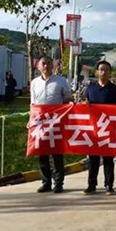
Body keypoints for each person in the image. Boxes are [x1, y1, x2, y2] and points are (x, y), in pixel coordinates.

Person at [30, 57, 71, 193]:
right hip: (40, 122)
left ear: (52, 66)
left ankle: (58, 183)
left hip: (55, 121)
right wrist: (31, 121)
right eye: (43, 64)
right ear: (38, 66)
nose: (46, 66)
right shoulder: (35, 83)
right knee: (42, 153)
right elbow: (33, 104)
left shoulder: (61, 81)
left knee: (57, 153)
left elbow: (67, 98)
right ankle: (46, 182)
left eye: (48, 63)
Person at [82, 60, 116, 195]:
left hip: (109, 129)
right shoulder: (90, 88)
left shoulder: (115, 90)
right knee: (93, 159)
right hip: (93, 129)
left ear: (110, 72)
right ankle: (91, 185)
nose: (103, 72)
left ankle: (109, 185)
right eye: (101, 69)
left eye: (106, 70)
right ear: (97, 72)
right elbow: (85, 104)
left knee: (108, 159)